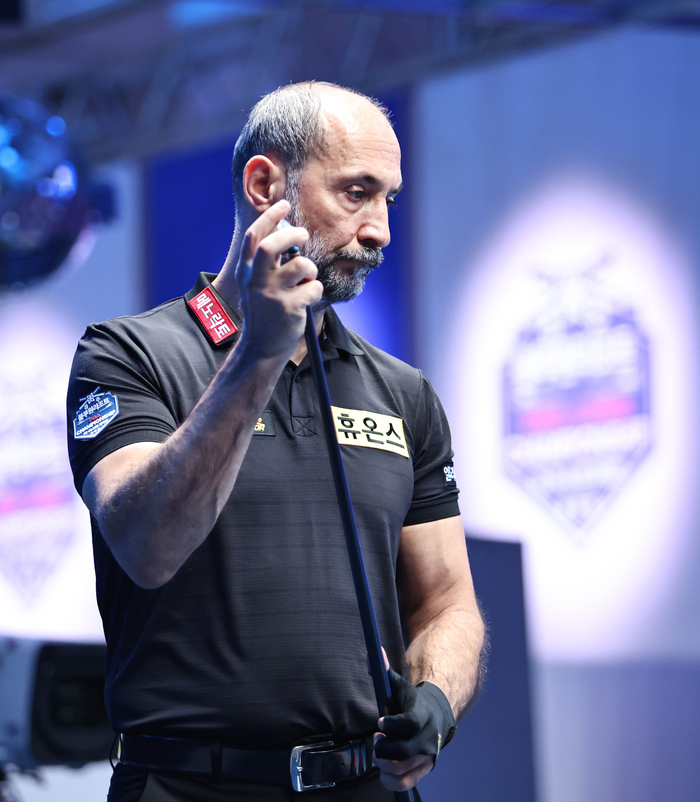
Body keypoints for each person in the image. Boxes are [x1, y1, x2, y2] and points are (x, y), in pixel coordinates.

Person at [66, 82, 486, 802]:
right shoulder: (126, 356)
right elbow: (147, 545)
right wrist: (258, 354)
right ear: (265, 186)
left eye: (389, 199)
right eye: (356, 193)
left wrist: (437, 703)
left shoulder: (403, 392)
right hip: (187, 787)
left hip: (367, 786)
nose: (381, 230)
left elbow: (449, 604)